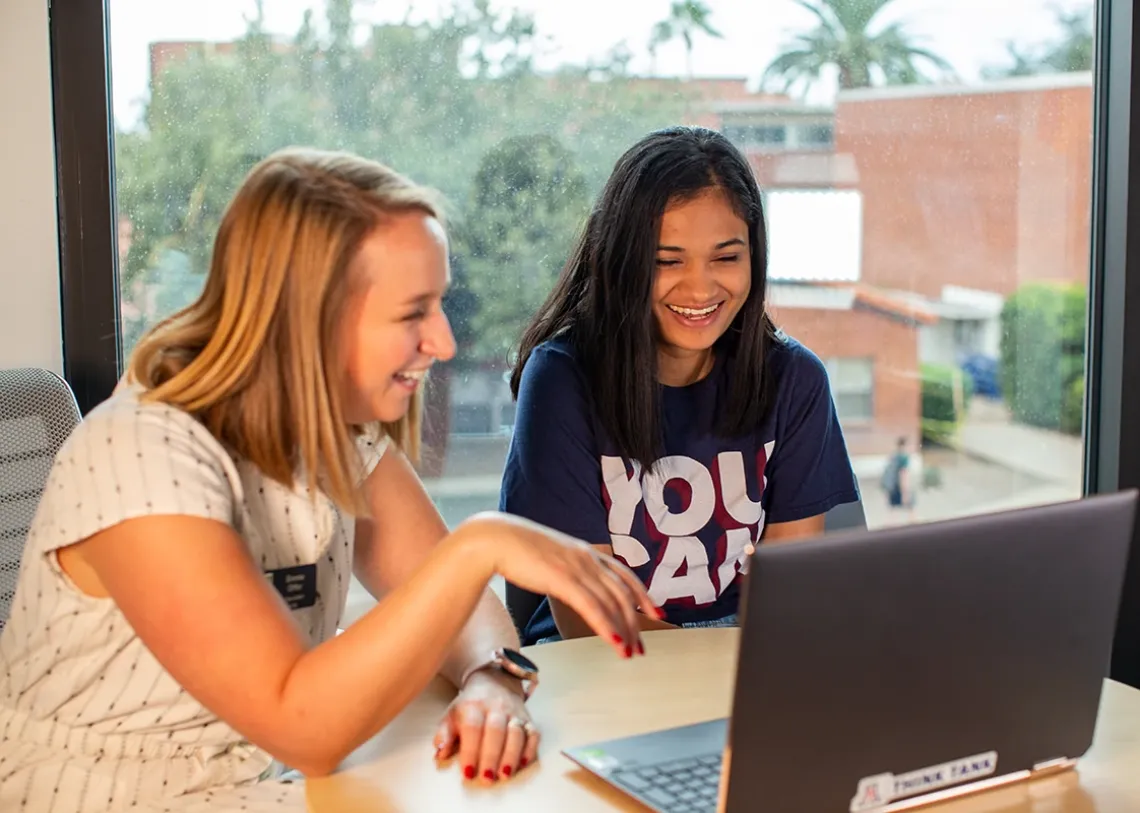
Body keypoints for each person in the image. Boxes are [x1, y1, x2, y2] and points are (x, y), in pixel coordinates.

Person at [0, 148, 657, 812]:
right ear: (309, 319)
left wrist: (494, 680)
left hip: (265, 781)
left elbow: (466, 615)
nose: (443, 342)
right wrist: (478, 544)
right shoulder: (138, 456)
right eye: (413, 312)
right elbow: (302, 723)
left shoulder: (333, 427)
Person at [500, 126, 861, 646]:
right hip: (601, 653)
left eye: (726, 257)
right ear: (623, 261)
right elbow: (586, 617)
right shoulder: (561, 380)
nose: (699, 287)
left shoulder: (794, 379)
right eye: (667, 261)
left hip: (737, 646)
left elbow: (792, 589)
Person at [882, 436, 915, 516]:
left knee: (892, 509)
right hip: (900, 486)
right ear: (905, 445)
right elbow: (903, 474)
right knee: (911, 507)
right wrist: (905, 492)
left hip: (892, 486)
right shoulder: (904, 458)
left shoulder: (894, 456)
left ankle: (888, 526)